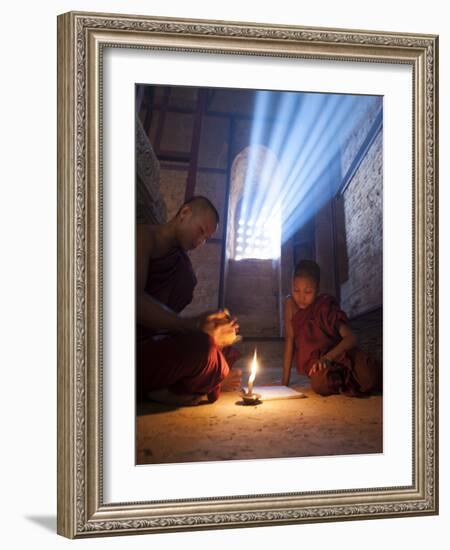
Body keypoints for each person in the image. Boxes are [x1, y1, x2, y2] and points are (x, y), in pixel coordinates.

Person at [136, 195, 242, 405]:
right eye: (201, 231)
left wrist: (214, 327)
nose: (200, 242)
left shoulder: (184, 271)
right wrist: (194, 325)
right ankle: (167, 389)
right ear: (185, 213)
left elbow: (165, 323)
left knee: (219, 350)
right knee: (202, 348)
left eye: (205, 239)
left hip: (156, 343)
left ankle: (163, 388)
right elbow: (133, 302)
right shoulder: (143, 237)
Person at [282, 259, 382, 397]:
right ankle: (345, 380)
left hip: (340, 355)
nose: (301, 297)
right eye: (296, 290)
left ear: (317, 289)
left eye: (308, 291)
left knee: (369, 376)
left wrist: (328, 357)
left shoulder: (324, 307)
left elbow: (351, 338)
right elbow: (289, 340)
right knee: (320, 384)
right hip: (319, 364)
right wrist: (284, 384)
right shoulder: (290, 304)